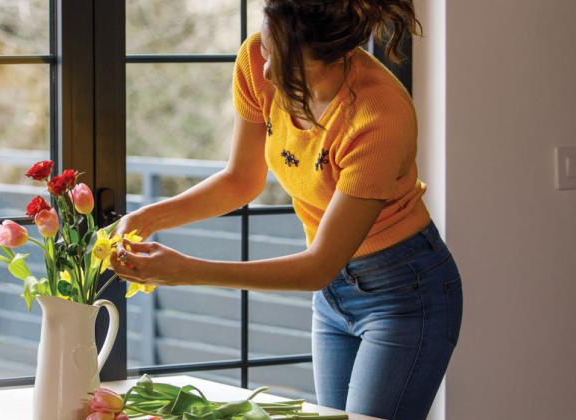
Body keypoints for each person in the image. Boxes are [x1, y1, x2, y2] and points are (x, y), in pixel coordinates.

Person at [110, 1, 461, 419]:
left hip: (403, 293)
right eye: (267, 46)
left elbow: (316, 266)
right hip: (332, 294)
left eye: (283, 58)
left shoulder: (378, 116)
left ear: (328, 55)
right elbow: (241, 180)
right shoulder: (258, 57)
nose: (266, 69)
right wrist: (147, 218)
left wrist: (187, 271)